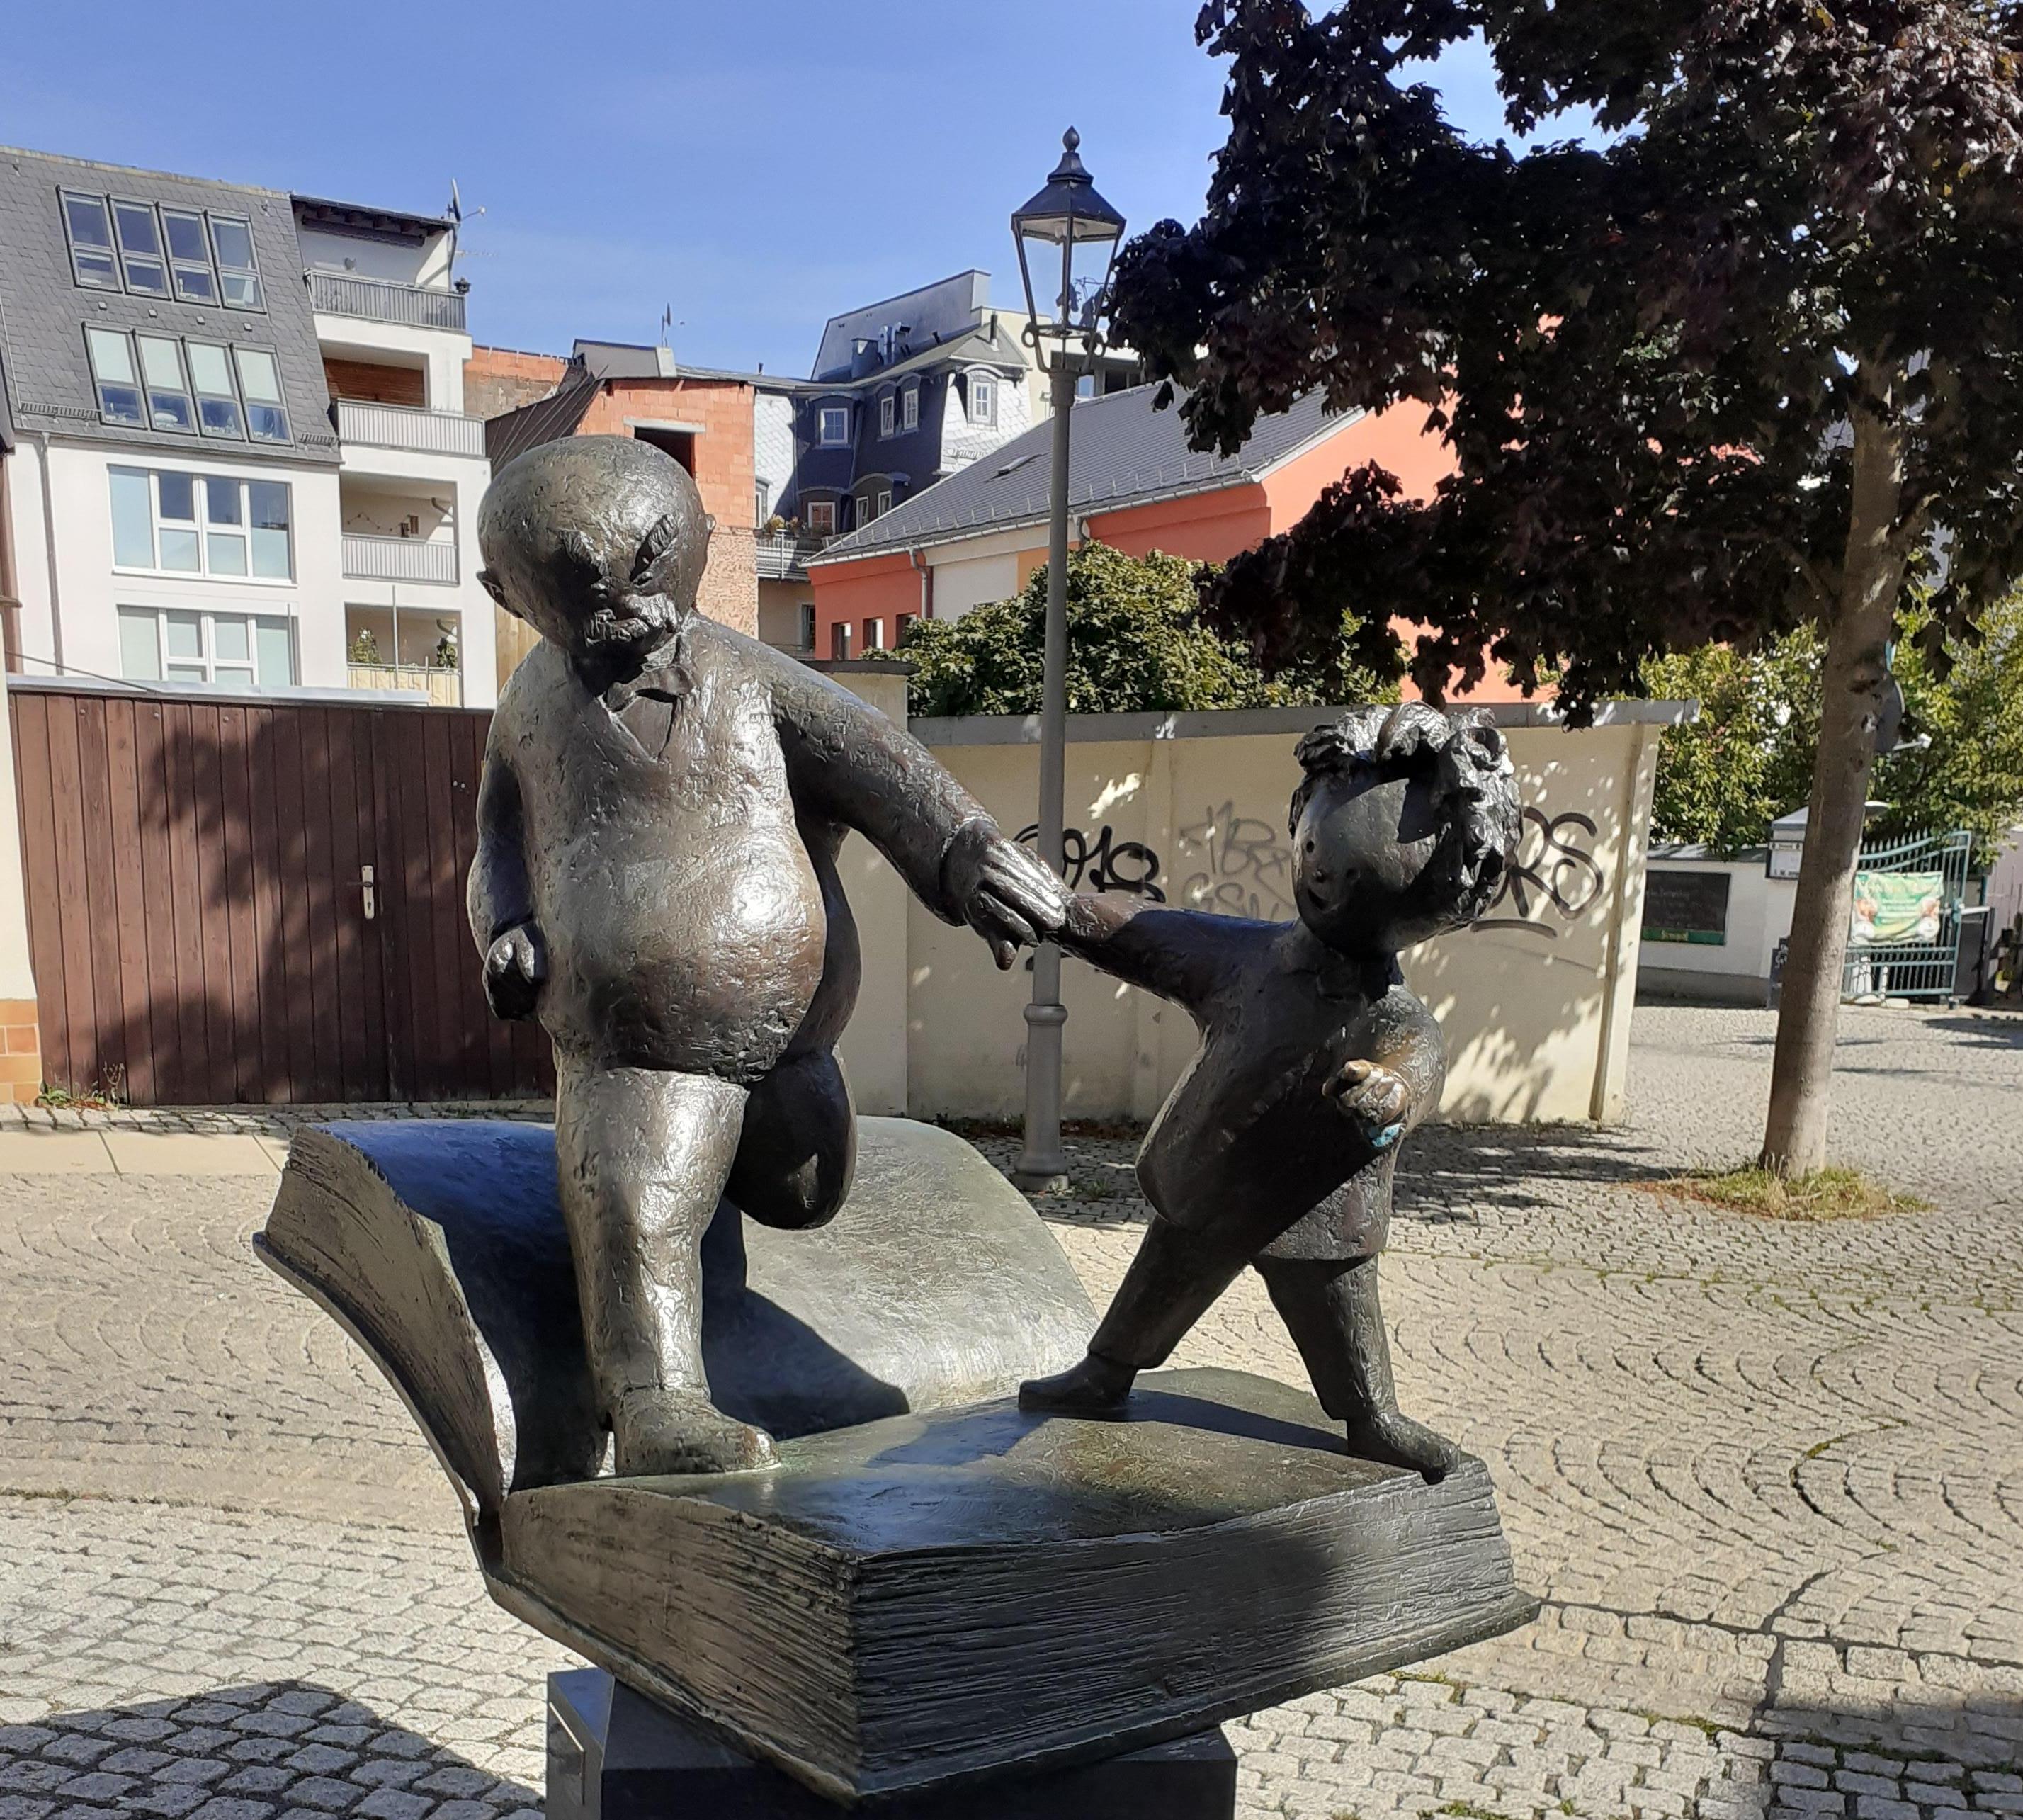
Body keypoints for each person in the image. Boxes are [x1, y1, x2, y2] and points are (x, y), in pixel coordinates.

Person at [468, 434, 1062, 1476]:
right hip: (629, 1044)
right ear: (504, 592)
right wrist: (505, 926)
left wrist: (970, 857)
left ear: (700, 543)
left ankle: (746, 1161)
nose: (620, 608)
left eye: (645, 566)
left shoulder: (757, 682)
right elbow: (495, 846)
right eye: (575, 586)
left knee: (802, 1190)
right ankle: (656, 1407)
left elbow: (887, 771)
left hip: (792, 1046)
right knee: (637, 1197)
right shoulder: (525, 711)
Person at [1019, 703, 1519, 1478]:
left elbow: (1417, 1065)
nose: (1324, 872)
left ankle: (1370, 1417)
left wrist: (1391, 1094)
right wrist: (1058, 912)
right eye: (1318, 849)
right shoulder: (1243, 958)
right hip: (1211, 1186)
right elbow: (1141, 933)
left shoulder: (1397, 1016)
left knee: (1343, 1317)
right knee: (1159, 1282)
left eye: (1354, 868)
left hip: (1319, 1206)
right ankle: (1105, 1372)